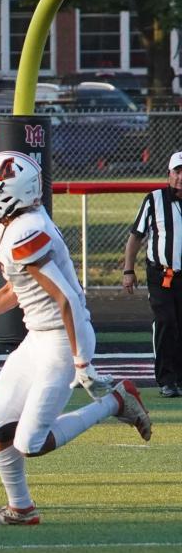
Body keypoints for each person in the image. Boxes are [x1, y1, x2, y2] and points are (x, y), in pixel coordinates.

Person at [0, 150, 151, 526]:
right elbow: (18, 290)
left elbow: (67, 299)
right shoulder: (14, 225)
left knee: (29, 442)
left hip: (63, 339)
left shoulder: (26, 231)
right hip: (38, 337)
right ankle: (21, 508)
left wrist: (82, 362)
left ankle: (116, 401)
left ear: (9, 193)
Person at [123, 150, 182, 398]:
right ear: (168, 173)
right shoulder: (154, 200)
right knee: (167, 322)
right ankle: (166, 380)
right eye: (177, 171)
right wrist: (128, 270)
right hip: (162, 275)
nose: (181, 177)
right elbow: (135, 237)